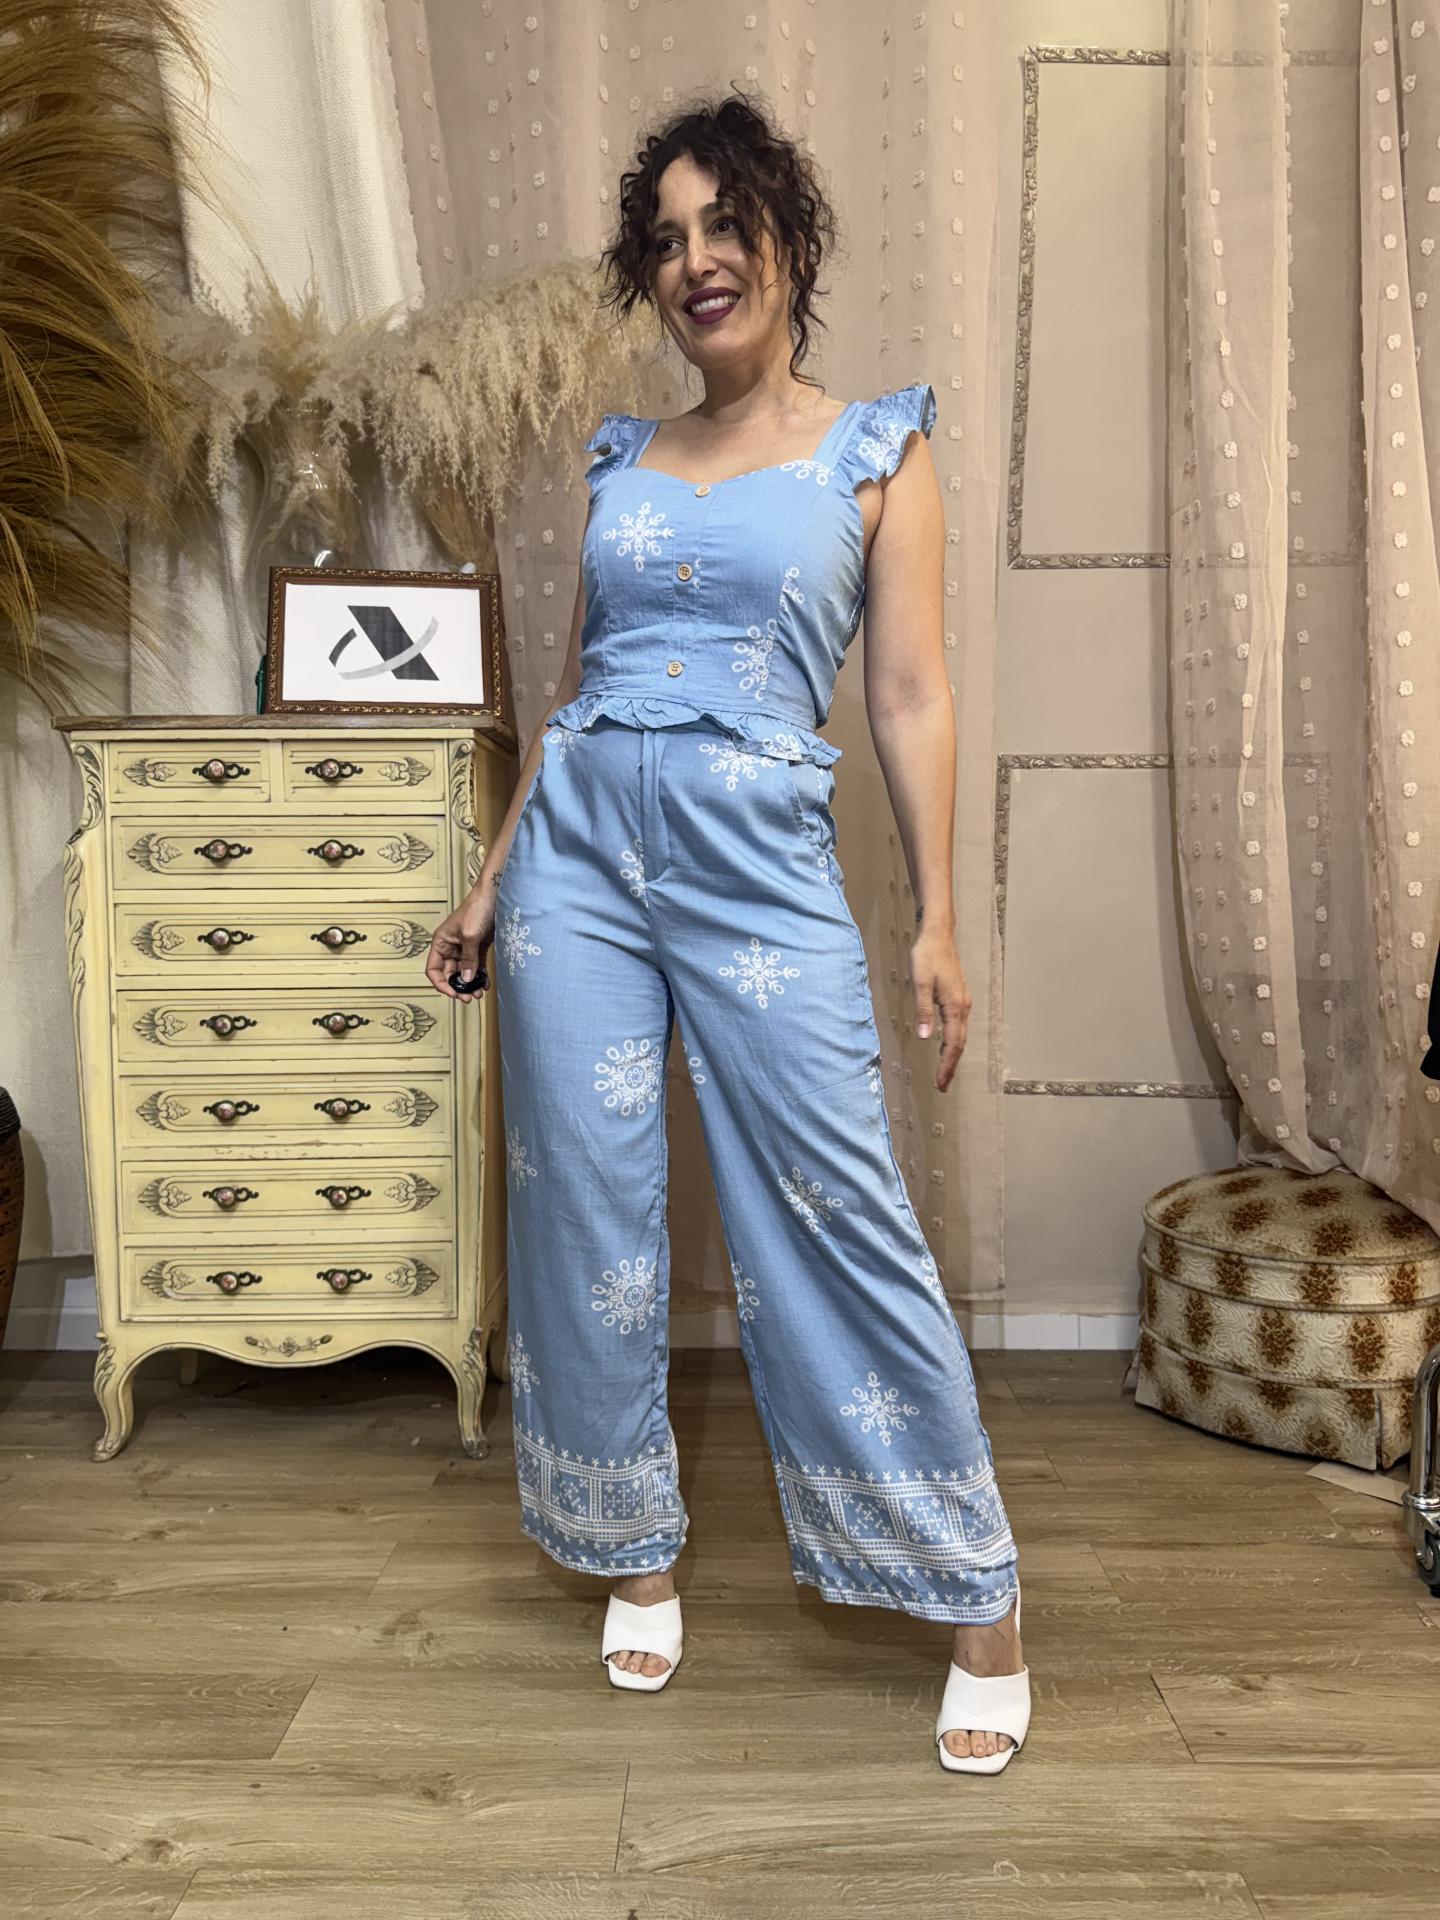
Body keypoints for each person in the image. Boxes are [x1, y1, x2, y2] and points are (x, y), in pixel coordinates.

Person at [425, 90, 1030, 1774]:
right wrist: (492, 880)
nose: (697, 262)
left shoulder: (876, 449)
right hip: (577, 862)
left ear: (787, 240)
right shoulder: (624, 458)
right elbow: (572, 688)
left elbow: (908, 695)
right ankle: (634, 1546)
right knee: (587, 1201)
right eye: (668, 240)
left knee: (835, 1206)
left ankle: (976, 1597)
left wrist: (939, 920)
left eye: (725, 226)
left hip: (756, 853)